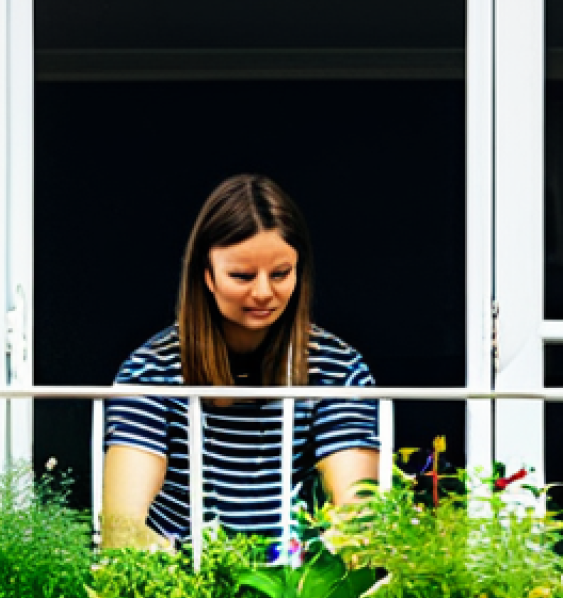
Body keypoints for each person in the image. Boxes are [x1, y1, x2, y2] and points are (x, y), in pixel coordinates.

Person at [102, 174, 379, 548]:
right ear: (207, 275)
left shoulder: (337, 368)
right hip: (187, 590)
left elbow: (356, 521)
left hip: (295, 593)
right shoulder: (151, 370)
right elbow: (122, 529)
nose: (264, 292)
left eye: (280, 274)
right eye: (242, 275)